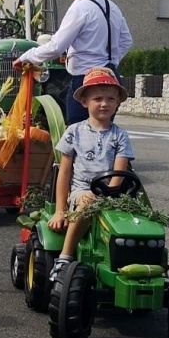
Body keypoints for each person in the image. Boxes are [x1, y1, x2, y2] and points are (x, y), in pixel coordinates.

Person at [16, 0, 133, 125]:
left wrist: (27, 57)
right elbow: (126, 40)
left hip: (86, 79)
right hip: (111, 78)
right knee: (104, 131)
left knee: (78, 131)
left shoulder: (80, 8)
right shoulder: (111, 6)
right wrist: (109, 63)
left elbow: (56, 46)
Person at [48, 67, 135, 280]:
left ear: (117, 103)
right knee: (88, 202)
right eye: (98, 98)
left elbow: (119, 172)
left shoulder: (120, 136)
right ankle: (65, 257)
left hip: (112, 194)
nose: (104, 103)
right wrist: (60, 210)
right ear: (85, 102)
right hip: (81, 192)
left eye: (110, 99)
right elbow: (64, 171)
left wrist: (110, 195)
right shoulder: (74, 132)